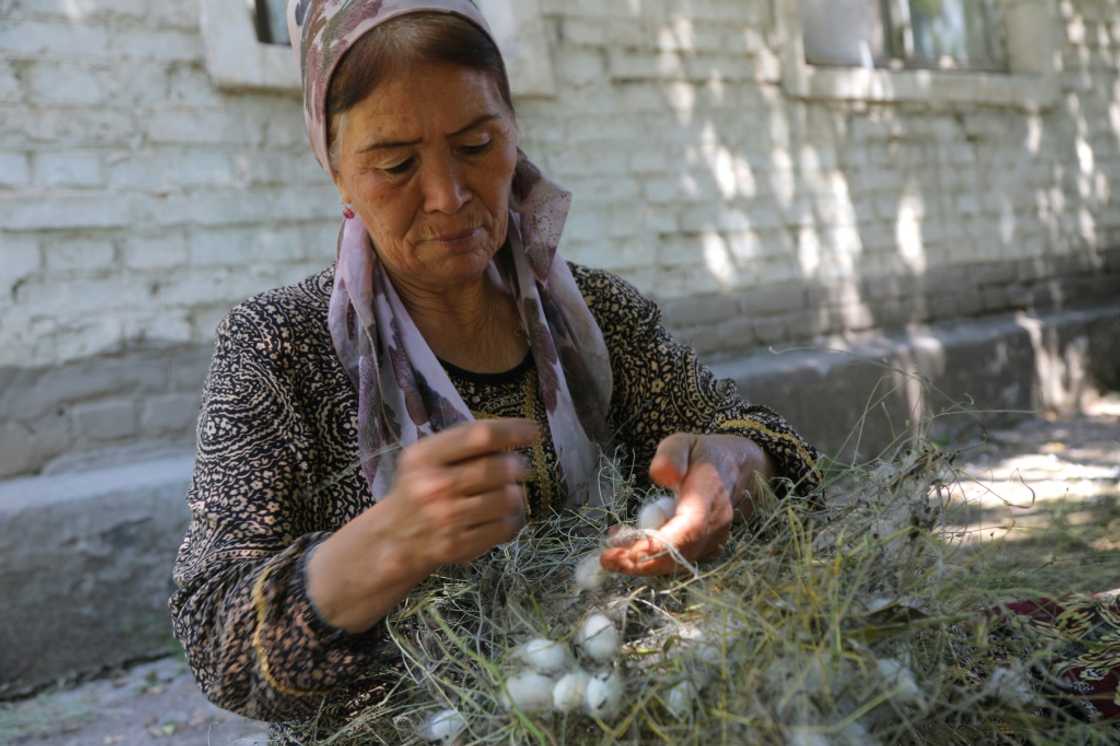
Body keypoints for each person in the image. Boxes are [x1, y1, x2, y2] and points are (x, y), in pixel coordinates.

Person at [168, 0, 822, 736]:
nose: (448, 197)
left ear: (514, 131)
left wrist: (733, 467)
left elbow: (772, 447)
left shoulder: (600, 319)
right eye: (396, 164)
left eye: (477, 144)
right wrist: (391, 543)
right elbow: (215, 640)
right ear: (336, 169)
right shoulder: (278, 347)